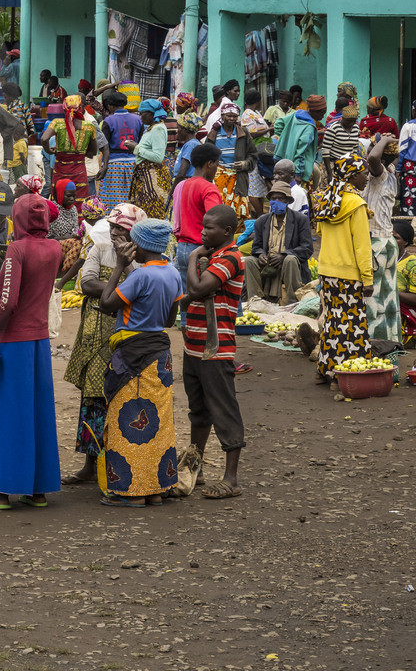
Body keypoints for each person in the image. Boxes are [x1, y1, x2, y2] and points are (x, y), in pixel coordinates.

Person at [0, 193, 63, 510]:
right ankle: (37, 491)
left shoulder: (17, 249)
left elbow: (7, 300)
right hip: (39, 340)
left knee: (7, 414)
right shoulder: (54, 248)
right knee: (37, 413)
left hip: (13, 341)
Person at [95, 218, 183, 507]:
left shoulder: (140, 276)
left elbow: (107, 302)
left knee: (128, 420)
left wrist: (120, 265)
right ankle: (156, 488)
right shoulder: (173, 273)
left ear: (141, 246)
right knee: (157, 424)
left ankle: (130, 492)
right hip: (160, 355)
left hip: (133, 354)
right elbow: (170, 320)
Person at [60, 203, 143, 486]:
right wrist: (122, 286)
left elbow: (141, 286)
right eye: (114, 227)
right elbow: (87, 284)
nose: (116, 232)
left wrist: (122, 271)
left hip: (126, 337)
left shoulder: (141, 257)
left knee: (123, 398)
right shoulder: (99, 249)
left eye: (122, 228)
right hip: (96, 335)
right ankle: (90, 464)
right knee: (94, 398)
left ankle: (117, 462)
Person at [183, 204, 246, 500]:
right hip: (194, 345)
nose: (203, 232)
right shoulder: (214, 256)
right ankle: (197, 469)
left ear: (227, 232)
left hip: (215, 348)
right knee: (199, 411)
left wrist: (194, 257)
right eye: (203, 226)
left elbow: (197, 289)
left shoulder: (230, 257)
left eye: (209, 228)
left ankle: (231, 478)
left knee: (224, 410)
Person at [307, 153, 374, 382]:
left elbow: (320, 232)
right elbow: (362, 247)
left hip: (327, 272)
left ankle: (323, 371)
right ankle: (344, 376)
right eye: (364, 173)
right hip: (349, 275)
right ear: (353, 176)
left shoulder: (327, 199)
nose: (367, 177)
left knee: (333, 322)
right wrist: (367, 279)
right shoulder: (356, 204)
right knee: (352, 326)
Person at [246, 179, 312, 304]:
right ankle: (255, 301)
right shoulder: (262, 221)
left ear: (287, 201)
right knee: (249, 261)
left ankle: (292, 301)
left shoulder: (300, 220)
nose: (275, 202)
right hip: (268, 264)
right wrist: (260, 255)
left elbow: (307, 248)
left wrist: (284, 255)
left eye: (280, 198)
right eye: (273, 198)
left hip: (288, 266)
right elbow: (256, 247)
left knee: (290, 259)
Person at [362, 133, 401, 342]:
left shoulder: (381, 174)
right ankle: (390, 344)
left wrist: (384, 141)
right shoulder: (391, 174)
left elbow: (374, 159)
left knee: (373, 299)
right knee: (387, 297)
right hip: (386, 242)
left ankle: (371, 344)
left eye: (370, 150)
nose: (367, 155)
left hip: (377, 244)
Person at [173, 144, 223, 288]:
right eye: (216, 165)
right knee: (201, 299)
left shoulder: (182, 185)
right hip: (201, 250)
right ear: (210, 164)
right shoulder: (208, 188)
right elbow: (215, 220)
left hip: (182, 247)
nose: (216, 169)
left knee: (184, 298)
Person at [128, 100, 173, 218]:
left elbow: (158, 157)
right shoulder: (151, 128)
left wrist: (136, 148)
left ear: (152, 113)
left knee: (151, 213)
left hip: (153, 178)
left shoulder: (158, 129)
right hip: (145, 176)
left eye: (143, 113)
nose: (140, 116)